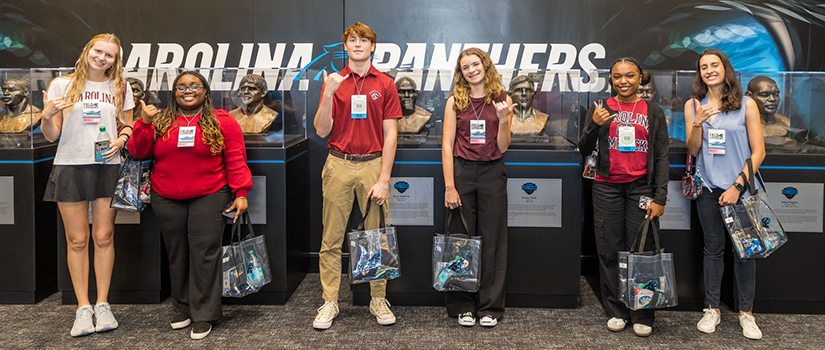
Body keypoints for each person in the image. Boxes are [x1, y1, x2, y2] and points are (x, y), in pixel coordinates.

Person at [128, 70, 252, 340]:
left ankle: (203, 314)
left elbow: (235, 157)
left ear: (205, 91)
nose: (188, 90)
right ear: (174, 92)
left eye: (194, 85)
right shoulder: (160, 121)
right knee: (177, 253)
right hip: (166, 196)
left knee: (204, 253)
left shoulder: (222, 121)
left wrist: (241, 192)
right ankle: (182, 308)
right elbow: (138, 152)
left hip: (210, 195)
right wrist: (144, 123)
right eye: (181, 86)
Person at [40, 33, 134, 337]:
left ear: (115, 60)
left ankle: (103, 304)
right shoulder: (61, 85)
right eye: (98, 51)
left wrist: (121, 139)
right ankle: (83, 307)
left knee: (104, 236)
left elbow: (129, 123)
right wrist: (47, 115)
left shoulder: (120, 86)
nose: (102, 58)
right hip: (70, 165)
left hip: (107, 166)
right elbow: (51, 135)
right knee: (77, 240)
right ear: (87, 51)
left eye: (109, 55)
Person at [312, 22, 402, 330]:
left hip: (372, 164)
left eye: (364, 40)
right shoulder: (334, 81)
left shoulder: (385, 84)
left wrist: (384, 179)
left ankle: (378, 298)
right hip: (338, 162)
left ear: (373, 47)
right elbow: (322, 130)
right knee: (331, 237)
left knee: (376, 236)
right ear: (345, 46)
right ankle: (329, 301)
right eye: (352, 40)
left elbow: (391, 135)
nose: (358, 44)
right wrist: (329, 95)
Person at [578, 57, 669, 337]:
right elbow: (583, 149)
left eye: (630, 75)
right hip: (607, 188)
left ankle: (642, 312)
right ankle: (616, 310)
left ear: (641, 78)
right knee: (609, 249)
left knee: (642, 250)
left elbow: (662, 156)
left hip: (641, 188)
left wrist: (661, 196)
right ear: (611, 80)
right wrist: (593, 124)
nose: (623, 81)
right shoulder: (601, 108)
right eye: (617, 77)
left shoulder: (653, 112)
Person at [684, 48, 766, 340]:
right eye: (703, 67)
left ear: (725, 68)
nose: (709, 70)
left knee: (744, 253)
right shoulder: (694, 104)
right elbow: (693, 150)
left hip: (739, 189)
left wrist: (737, 187)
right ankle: (712, 309)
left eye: (714, 65)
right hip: (708, 188)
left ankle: (746, 313)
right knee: (713, 249)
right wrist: (698, 122)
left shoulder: (747, 104)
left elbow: (759, 152)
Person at [442, 47, 514, 328]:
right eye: (465, 67)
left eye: (475, 64)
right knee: (461, 241)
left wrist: (505, 120)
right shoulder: (454, 102)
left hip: (492, 173)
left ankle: (490, 307)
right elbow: (447, 147)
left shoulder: (502, 100)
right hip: (461, 172)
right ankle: (463, 306)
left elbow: (503, 146)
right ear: (460, 73)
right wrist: (450, 186)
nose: (471, 70)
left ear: (485, 65)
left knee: (493, 239)